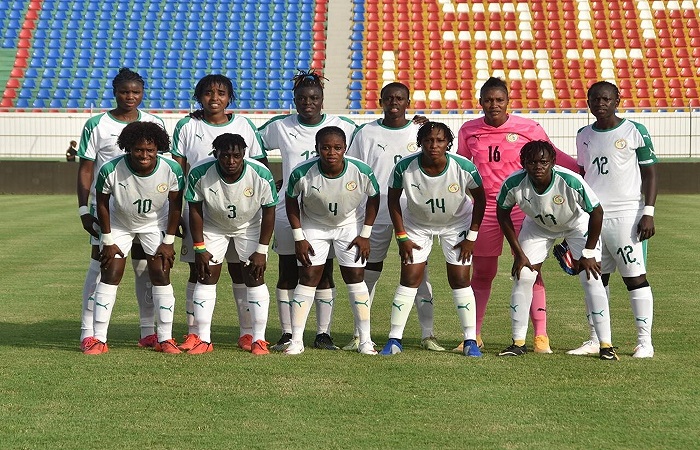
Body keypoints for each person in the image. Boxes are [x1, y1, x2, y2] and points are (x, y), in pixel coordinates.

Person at [455, 76, 581, 353]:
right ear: (480, 102)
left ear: (507, 101)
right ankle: (473, 335)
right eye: (488, 100)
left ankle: (540, 336)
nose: (494, 105)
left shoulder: (528, 127)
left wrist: (582, 168)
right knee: (483, 272)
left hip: (522, 207)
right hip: (487, 209)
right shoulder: (469, 130)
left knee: (530, 270)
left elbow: (553, 154)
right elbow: (462, 166)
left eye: (499, 100)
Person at [258, 70, 358, 351]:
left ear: (322, 99)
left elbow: (371, 140)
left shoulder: (344, 125)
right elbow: (253, 144)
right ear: (294, 99)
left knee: (324, 271)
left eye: (314, 97)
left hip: (325, 213)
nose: (308, 102)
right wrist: (269, 175)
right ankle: (288, 333)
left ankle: (322, 334)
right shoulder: (281, 126)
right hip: (286, 209)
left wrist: (415, 125)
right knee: (288, 270)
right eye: (302, 98)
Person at [496, 140, 618, 360]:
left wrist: (589, 253)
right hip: (537, 227)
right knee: (523, 275)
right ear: (523, 163)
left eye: (543, 161)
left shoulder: (570, 181)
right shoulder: (514, 183)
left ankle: (606, 345)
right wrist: (518, 253)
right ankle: (518, 342)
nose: (538, 166)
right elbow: (502, 213)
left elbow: (597, 212)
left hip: (575, 225)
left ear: (553, 161)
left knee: (591, 278)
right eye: (532, 162)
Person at [171, 74, 267, 352]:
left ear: (230, 98)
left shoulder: (244, 126)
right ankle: (195, 333)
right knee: (199, 270)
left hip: (243, 213)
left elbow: (259, 168)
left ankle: (248, 333)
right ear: (198, 96)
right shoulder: (187, 125)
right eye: (208, 93)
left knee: (242, 272)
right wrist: (176, 214)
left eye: (221, 93)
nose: (215, 98)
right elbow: (178, 171)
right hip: (201, 210)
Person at [346, 82, 444, 352]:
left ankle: (428, 334)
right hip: (374, 213)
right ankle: (359, 335)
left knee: (418, 275)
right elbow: (354, 170)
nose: (394, 103)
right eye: (388, 98)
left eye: (399, 98)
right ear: (381, 101)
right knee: (368, 273)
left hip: (412, 214)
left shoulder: (420, 131)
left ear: (407, 101)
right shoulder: (365, 132)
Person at [76, 68, 166, 352]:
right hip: (109, 210)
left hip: (148, 212)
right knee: (101, 268)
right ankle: (88, 333)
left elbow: (163, 168)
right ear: (115, 92)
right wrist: (83, 208)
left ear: (143, 93)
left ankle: (147, 331)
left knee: (145, 270)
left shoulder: (154, 122)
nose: (130, 96)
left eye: (136, 92)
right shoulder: (97, 124)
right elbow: (86, 169)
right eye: (125, 91)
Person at [380, 121, 486, 357]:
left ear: (448, 143)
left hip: (456, 224)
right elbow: (393, 201)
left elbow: (481, 200)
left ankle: (470, 341)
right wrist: (402, 236)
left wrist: (471, 236)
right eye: (428, 140)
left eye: (439, 140)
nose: (434, 145)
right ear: (421, 143)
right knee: (410, 277)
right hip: (417, 225)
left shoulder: (464, 167)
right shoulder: (404, 168)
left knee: (459, 278)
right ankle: (394, 339)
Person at [570, 81, 657, 358]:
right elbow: (584, 176)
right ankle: (596, 338)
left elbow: (651, 174)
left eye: (606, 98)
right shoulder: (583, 134)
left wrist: (648, 212)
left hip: (626, 215)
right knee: (596, 279)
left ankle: (645, 342)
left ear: (617, 99)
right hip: (593, 216)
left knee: (635, 278)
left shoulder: (634, 131)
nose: (600, 103)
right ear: (588, 102)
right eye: (595, 99)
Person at [85, 121, 184, 354]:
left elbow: (176, 206)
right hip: (119, 224)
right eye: (138, 149)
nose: (144, 155)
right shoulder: (110, 168)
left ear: (158, 148)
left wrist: (168, 241)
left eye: (150, 150)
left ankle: (165, 338)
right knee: (111, 272)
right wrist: (107, 240)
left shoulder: (171, 169)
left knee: (160, 272)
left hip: (153, 224)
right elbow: (101, 204)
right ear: (128, 147)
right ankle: (98, 338)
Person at [284, 126, 380, 355]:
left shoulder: (361, 171)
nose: (331, 152)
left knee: (355, 277)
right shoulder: (302, 172)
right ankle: (296, 340)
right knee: (308, 276)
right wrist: (299, 237)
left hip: (348, 226)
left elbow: (374, 198)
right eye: (325, 147)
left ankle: (365, 340)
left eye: (337, 147)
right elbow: (290, 201)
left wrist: (365, 234)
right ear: (317, 149)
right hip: (314, 226)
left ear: (345, 148)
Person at [184, 133, 277, 355]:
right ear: (216, 154)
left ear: (244, 154)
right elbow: (195, 210)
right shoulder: (200, 171)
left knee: (255, 277)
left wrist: (261, 250)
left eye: (236, 155)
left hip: (249, 227)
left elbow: (270, 211)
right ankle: (204, 339)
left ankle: (257, 338)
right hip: (213, 226)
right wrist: (199, 247)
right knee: (206, 276)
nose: (231, 161)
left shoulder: (260, 174)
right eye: (225, 155)